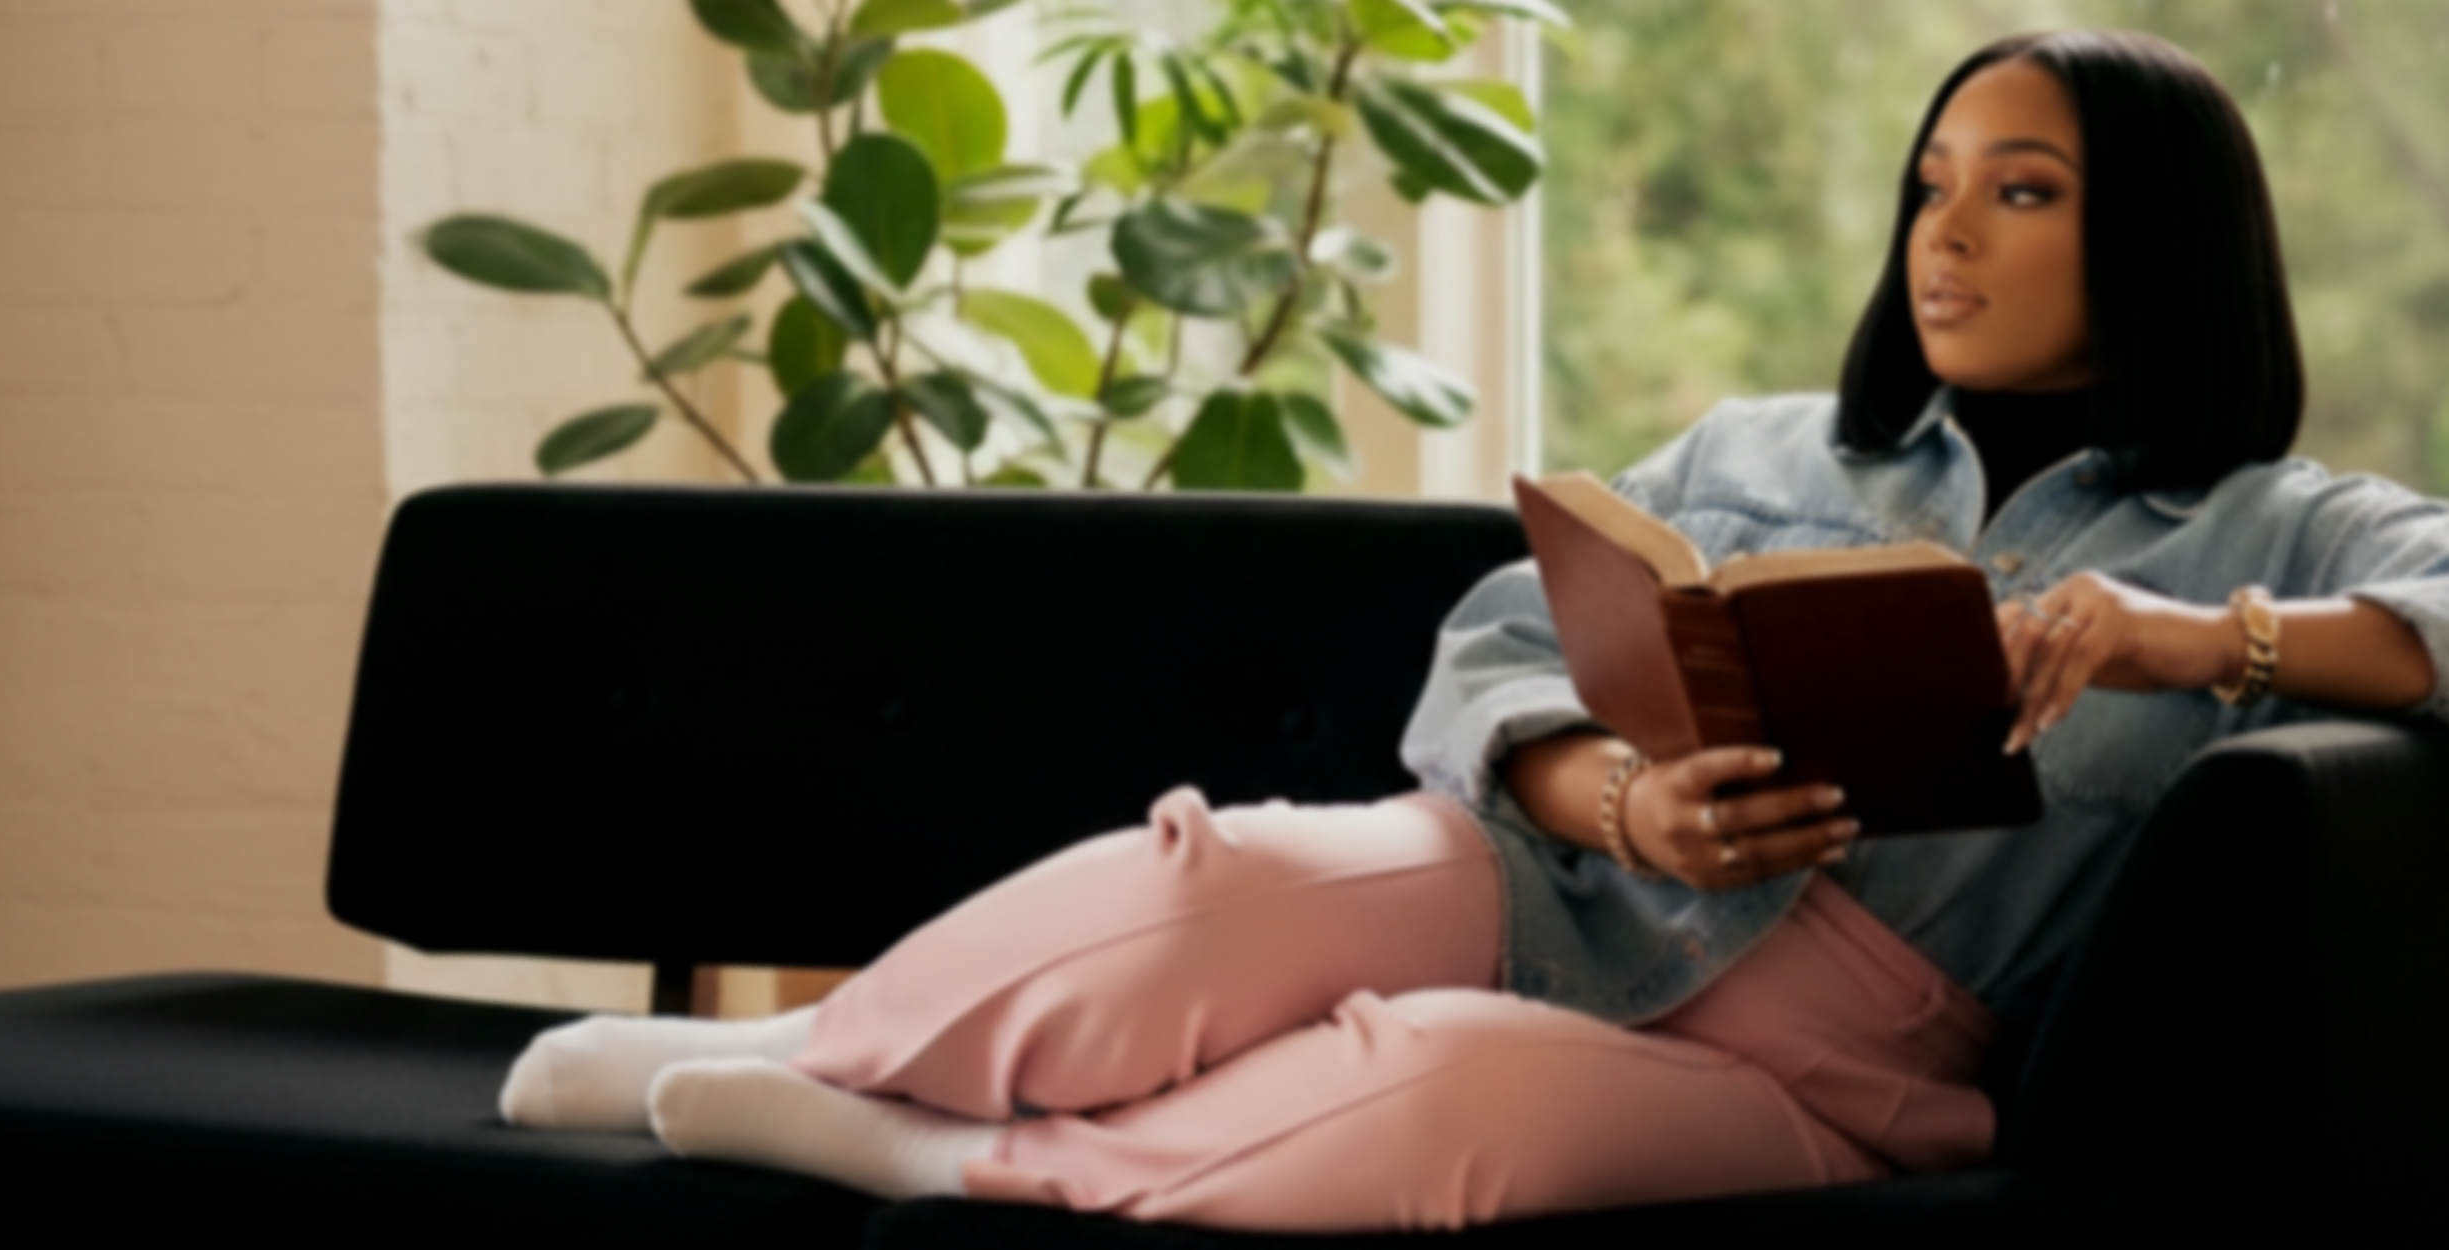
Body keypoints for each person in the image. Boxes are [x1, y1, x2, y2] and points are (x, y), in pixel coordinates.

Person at [494, 29, 2449, 1232]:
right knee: (1216, 883)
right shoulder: (1760, 445)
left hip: (1848, 1060)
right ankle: (840, 1058)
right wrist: (1610, 796)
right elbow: (1501, 638)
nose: (1941, 234)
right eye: (1927, 184)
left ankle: (936, 1162)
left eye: (2017, 193)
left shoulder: (2277, 523)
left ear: (2159, 239)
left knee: (1442, 1092)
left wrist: (2198, 643)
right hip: (1549, 861)